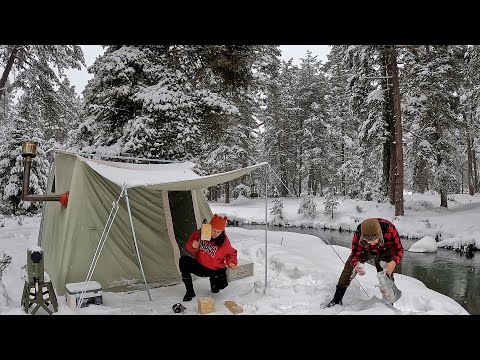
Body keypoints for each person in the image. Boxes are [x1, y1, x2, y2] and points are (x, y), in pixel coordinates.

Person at [325, 217, 404, 308]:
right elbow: (355, 254)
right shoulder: (359, 233)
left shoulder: (389, 229)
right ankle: (337, 300)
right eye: (368, 240)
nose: (372, 243)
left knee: (386, 277)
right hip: (364, 250)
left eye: (374, 239)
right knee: (348, 269)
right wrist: (356, 264)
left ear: (379, 234)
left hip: (385, 251)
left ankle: (389, 305)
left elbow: (399, 249)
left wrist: (394, 262)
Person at [179, 214, 238, 302]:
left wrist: (231, 262)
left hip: (216, 269)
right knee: (183, 261)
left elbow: (231, 254)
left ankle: (214, 282)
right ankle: (190, 291)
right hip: (200, 265)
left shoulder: (224, 242)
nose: (215, 234)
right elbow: (190, 245)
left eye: (219, 232)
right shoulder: (201, 233)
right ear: (209, 227)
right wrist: (193, 245)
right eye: (213, 230)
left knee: (218, 288)